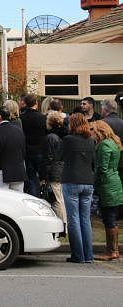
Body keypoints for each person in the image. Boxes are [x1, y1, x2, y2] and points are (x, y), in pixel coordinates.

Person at [58, 113, 96, 263]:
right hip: (88, 181)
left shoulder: (68, 140)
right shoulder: (91, 141)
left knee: (73, 218)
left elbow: (58, 156)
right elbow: (94, 162)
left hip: (71, 180)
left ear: (72, 125)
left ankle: (78, 255)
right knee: (85, 219)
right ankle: (89, 255)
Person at [91, 121, 122, 261]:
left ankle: (112, 251)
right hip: (114, 181)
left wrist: (94, 183)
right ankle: (114, 250)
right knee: (112, 218)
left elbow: (101, 169)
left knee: (108, 218)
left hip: (107, 184)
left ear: (100, 131)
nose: (91, 132)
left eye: (93, 130)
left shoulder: (103, 145)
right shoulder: (114, 142)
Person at [0, 106, 26, 192]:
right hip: (18, 171)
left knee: (1, 202)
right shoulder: (19, 131)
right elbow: (23, 151)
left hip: (1, 173)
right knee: (17, 202)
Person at [41, 111, 68, 226]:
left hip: (54, 171)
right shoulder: (64, 135)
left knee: (57, 200)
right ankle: (63, 223)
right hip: (62, 170)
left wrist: (44, 176)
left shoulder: (51, 137)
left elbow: (48, 158)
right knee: (60, 198)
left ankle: (62, 224)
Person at [20, 94, 48, 196]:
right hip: (40, 151)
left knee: (31, 178)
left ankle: (34, 197)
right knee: (43, 178)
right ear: (36, 103)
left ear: (25, 103)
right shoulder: (42, 118)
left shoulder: (21, 118)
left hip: (27, 151)